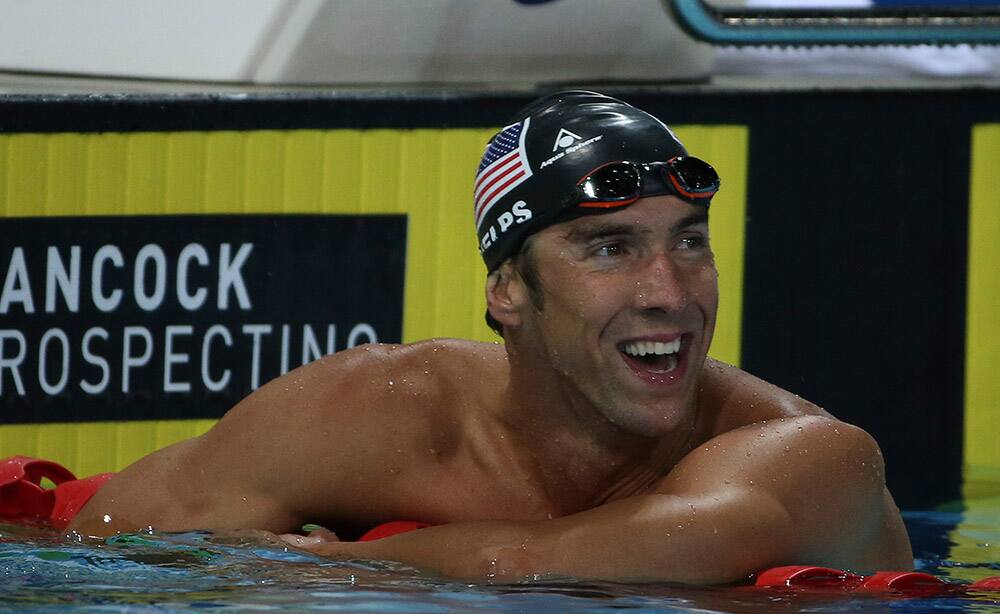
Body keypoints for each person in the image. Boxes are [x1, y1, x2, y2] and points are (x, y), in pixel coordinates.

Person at [68, 91, 913, 584]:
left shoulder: (808, 458)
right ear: (508, 290)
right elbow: (100, 542)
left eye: (689, 240)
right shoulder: (380, 409)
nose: (669, 293)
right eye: (611, 248)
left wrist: (316, 569)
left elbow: (528, 562)